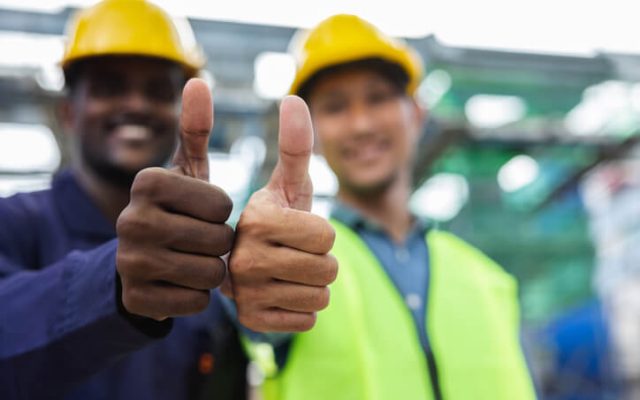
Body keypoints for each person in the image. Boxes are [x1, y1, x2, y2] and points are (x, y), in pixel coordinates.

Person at [0, 1, 336, 399]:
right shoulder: (13, 224)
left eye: (158, 90)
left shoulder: (213, 258)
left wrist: (269, 310)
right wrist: (114, 283)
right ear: (68, 112)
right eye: (109, 87)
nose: (136, 104)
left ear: (180, 112)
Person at [228, 14, 537, 399]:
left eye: (377, 98)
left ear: (418, 114)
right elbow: (253, 327)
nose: (361, 125)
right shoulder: (290, 265)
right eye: (335, 107)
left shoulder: (490, 281)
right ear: (314, 134)